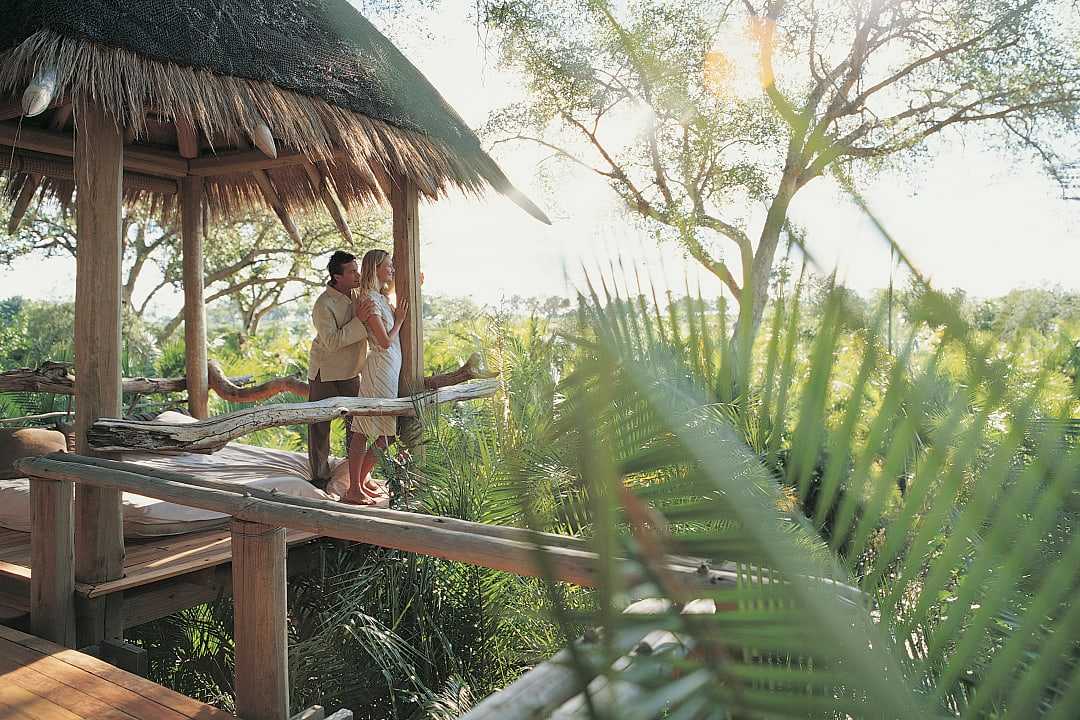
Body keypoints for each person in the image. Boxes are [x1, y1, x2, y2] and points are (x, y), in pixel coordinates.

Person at [343, 249, 408, 505]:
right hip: (380, 368)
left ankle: (363, 478)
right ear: (375, 268)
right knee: (363, 430)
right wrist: (400, 320)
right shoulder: (369, 298)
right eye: (388, 265)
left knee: (385, 432)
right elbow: (383, 341)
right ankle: (353, 489)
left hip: (390, 369)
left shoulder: (379, 296)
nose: (392, 269)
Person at [307, 250, 376, 487]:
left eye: (357, 270)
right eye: (352, 271)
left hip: (352, 372)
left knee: (356, 425)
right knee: (319, 426)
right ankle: (319, 477)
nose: (358, 275)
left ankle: (352, 476)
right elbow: (333, 342)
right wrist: (360, 321)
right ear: (337, 277)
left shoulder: (360, 295)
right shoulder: (323, 304)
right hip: (324, 372)